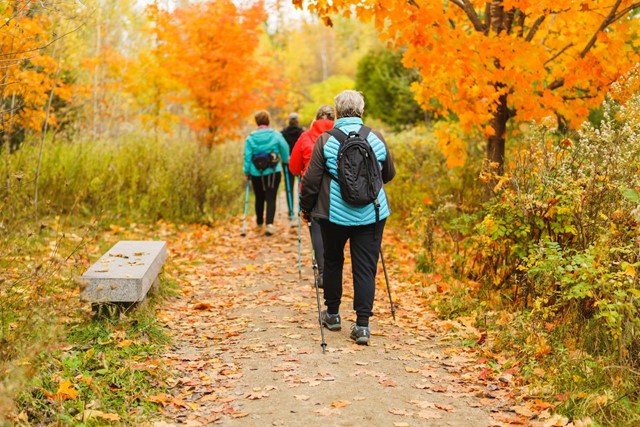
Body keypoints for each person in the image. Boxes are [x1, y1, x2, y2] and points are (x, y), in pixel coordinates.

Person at [300, 90, 395, 345]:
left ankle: (332, 315)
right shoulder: (376, 138)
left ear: (338, 112)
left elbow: (311, 181)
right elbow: (388, 174)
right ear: (361, 111)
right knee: (366, 267)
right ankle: (362, 326)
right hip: (372, 213)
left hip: (334, 215)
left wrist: (306, 209)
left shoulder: (325, 140)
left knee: (332, 261)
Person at [289, 105, 335, 289]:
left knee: (316, 228)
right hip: (336, 189)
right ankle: (334, 271)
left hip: (312, 190)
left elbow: (293, 167)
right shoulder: (340, 135)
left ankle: (323, 273)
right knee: (336, 231)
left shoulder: (305, 137)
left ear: (315, 119)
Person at [243, 110, 290, 236]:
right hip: (273, 171)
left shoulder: (250, 138)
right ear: (268, 121)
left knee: (259, 197)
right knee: (271, 196)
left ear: (257, 122)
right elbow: (285, 149)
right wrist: (286, 160)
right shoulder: (276, 135)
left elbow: (247, 156)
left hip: (256, 172)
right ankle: (269, 224)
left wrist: (247, 171)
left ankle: (259, 222)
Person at [281, 113, 304, 217]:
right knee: (300, 186)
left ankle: (291, 211)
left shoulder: (283, 133)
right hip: (299, 161)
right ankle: (300, 209)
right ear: (297, 121)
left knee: (289, 187)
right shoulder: (302, 132)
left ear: (289, 121)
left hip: (287, 162)